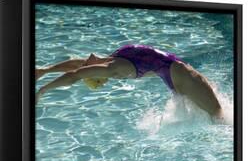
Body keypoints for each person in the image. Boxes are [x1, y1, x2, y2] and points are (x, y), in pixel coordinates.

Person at [36, 44, 223, 118]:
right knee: (213, 114)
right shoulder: (111, 57)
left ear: (97, 73)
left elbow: (76, 74)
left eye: (100, 82)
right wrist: (45, 70)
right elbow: (79, 66)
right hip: (177, 74)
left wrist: (42, 91)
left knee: (219, 117)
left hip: (182, 76)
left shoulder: (113, 69)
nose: (105, 83)